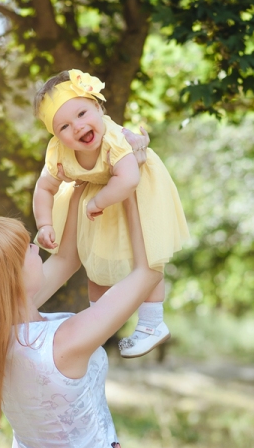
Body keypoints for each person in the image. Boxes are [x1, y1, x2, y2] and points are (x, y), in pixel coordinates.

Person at [0, 182, 160, 448]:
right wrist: (129, 193)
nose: (34, 246)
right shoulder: (64, 342)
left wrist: (80, 191)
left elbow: (67, 258)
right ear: (13, 278)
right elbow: (149, 272)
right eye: (25, 249)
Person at [32, 69, 189, 358]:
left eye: (81, 114)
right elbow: (44, 188)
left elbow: (129, 179)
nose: (77, 127)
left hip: (135, 189)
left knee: (148, 257)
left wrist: (98, 202)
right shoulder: (59, 153)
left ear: (98, 107)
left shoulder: (115, 139)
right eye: (64, 127)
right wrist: (44, 223)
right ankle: (97, 325)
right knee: (97, 266)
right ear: (56, 137)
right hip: (99, 201)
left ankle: (152, 324)